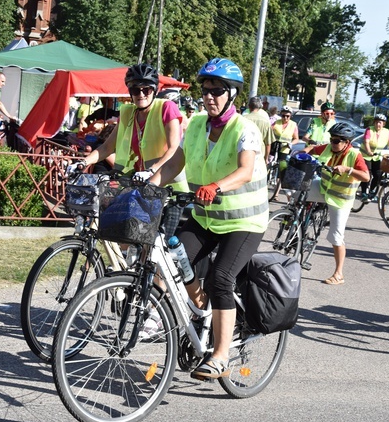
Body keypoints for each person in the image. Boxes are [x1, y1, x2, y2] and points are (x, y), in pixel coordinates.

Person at [153, 57, 268, 380]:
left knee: (221, 278)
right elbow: (174, 164)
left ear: (232, 94)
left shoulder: (244, 128)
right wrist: (146, 185)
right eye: (205, 90)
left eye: (216, 91)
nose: (209, 96)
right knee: (174, 262)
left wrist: (216, 185)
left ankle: (220, 355)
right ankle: (204, 312)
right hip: (206, 217)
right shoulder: (198, 125)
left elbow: (245, 170)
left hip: (244, 221)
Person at [79, 63, 188, 237]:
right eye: (136, 90)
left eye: (147, 90)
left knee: (161, 245)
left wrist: (151, 170)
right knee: (132, 239)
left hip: (169, 187)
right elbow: (107, 147)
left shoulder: (166, 108)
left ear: (154, 90)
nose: (141, 94)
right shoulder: (127, 113)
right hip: (143, 186)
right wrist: (82, 162)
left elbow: (174, 147)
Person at [306, 123, 369, 285]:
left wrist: (348, 170)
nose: (332, 143)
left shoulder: (355, 155)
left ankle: (338, 274)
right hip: (323, 189)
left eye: (336, 141)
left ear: (346, 142)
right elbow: (312, 149)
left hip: (340, 200)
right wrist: (303, 153)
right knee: (300, 189)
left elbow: (366, 177)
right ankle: (295, 222)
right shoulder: (328, 147)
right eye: (331, 139)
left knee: (336, 237)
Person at [359, 113, 389, 200]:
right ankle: (364, 192)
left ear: (383, 124)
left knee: (378, 174)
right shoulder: (369, 130)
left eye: (380, 122)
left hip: (376, 157)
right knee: (367, 174)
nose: (378, 124)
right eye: (376, 122)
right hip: (365, 156)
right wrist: (368, 151)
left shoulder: (386, 132)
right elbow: (366, 141)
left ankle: (372, 191)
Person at [243, 96, 272, 160]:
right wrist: (266, 159)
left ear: (249, 106)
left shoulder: (242, 119)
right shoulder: (266, 121)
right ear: (260, 107)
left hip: (243, 154)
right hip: (259, 156)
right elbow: (268, 144)